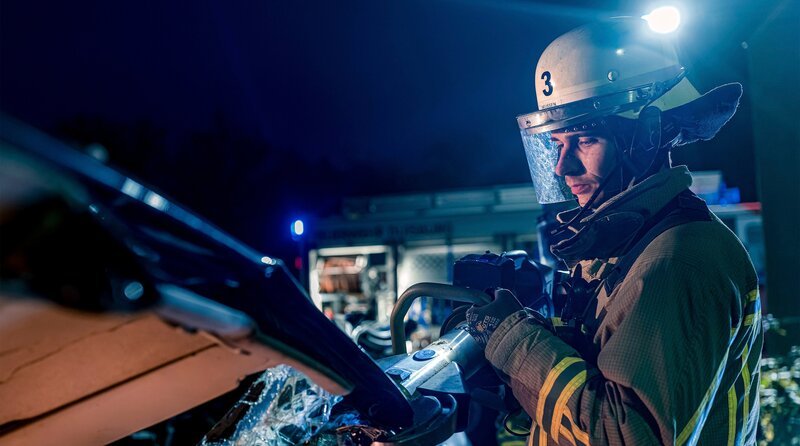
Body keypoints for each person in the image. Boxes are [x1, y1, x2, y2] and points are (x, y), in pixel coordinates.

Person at [464, 17, 762, 445]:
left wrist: (514, 340)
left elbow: (625, 434)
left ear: (645, 138)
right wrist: (532, 353)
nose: (563, 167)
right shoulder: (635, 246)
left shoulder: (676, 261)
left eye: (584, 140)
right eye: (557, 144)